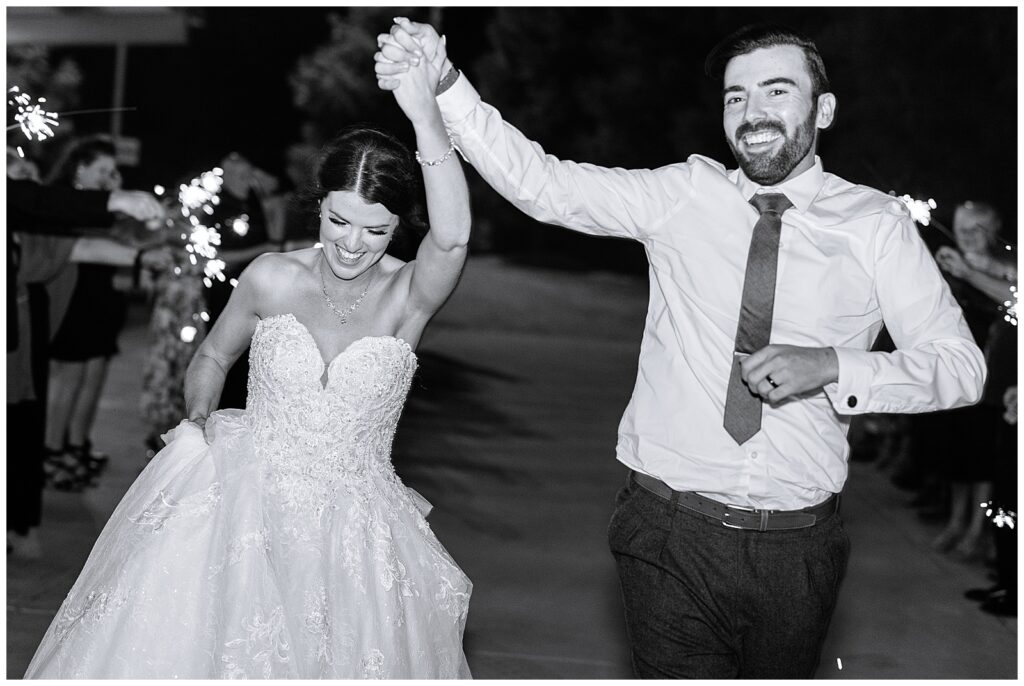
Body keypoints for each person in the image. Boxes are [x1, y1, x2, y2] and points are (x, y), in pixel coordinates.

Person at [377, 19, 986, 679]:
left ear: (824, 109)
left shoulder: (875, 226)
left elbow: (960, 368)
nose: (752, 113)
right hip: (668, 530)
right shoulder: (683, 195)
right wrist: (446, 83)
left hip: (796, 545)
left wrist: (837, 366)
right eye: (735, 97)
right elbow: (542, 184)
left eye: (777, 92)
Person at [26, 52, 473, 679]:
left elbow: (452, 239)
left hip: (353, 533)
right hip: (241, 506)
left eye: (375, 231)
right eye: (339, 220)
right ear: (317, 205)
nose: (351, 243)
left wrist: (428, 118)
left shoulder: (408, 297)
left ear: (399, 225)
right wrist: (200, 413)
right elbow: (212, 354)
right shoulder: (269, 275)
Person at [7, 166, 164, 558]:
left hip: (21, 337)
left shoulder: (24, 223)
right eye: (10, 157)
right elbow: (41, 202)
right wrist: (115, 200)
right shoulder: (23, 204)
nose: (24, 166)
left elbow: (77, 247)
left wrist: (144, 255)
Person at [42, 137, 145, 490]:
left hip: (101, 295)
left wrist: (116, 195)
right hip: (73, 296)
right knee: (68, 378)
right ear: (79, 167)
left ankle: (76, 445)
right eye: (102, 170)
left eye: (112, 171)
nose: (108, 177)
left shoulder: (104, 204)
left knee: (92, 375)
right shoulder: (62, 202)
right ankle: (53, 453)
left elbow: (128, 238)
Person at [923, 202, 1013, 560]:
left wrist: (974, 271)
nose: (966, 236)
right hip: (954, 371)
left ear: (992, 231)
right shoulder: (956, 262)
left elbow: (1011, 293)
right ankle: (957, 521)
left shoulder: (1006, 264)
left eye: (975, 230)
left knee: (983, 461)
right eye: (961, 228)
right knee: (955, 453)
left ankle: (980, 533)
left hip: (994, 379)